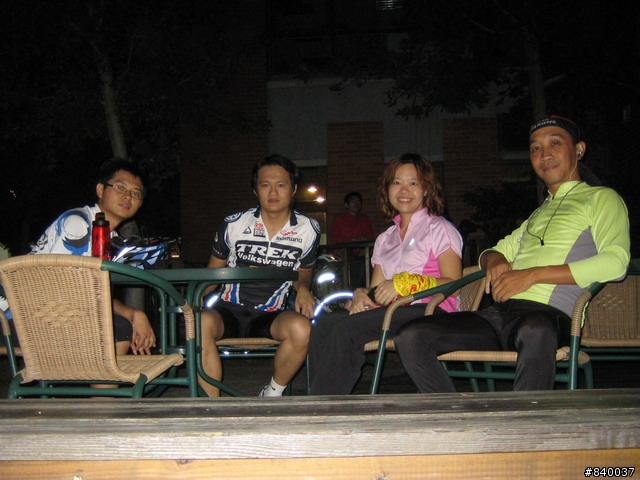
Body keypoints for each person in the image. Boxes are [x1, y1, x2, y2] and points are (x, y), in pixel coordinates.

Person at [393, 115, 631, 392]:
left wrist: (531, 275)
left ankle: (526, 415)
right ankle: (454, 411)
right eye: (536, 148)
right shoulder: (538, 215)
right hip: (500, 314)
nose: (544, 154)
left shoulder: (601, 198)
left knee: (535, 329)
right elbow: (491, 252)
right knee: (411, 335)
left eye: (555, 143)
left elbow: (616, 262)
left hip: (549, 317)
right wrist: (495, 260)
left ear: (578, 150)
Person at [308, 153, 463, 395]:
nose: (404, 190)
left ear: (426, 189)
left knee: (346, 329)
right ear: (387, 189)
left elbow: (454, 283)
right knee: (326, 322)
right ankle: (316, 397)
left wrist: (405, 284)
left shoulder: (439, 228)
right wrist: (361, 294)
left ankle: (323, 406)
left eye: (413, 183)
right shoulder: (385, 238)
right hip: (393, 311)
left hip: (431, 311)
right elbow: (377, 290)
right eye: (396, 182)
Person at [199, 154, 321, 397]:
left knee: (303, 328)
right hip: (228, 310)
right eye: (265, 185)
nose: (273, 192)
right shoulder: (233, 224)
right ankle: (212, 407)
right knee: (199, 323)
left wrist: (303, 289)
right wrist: (194, 298)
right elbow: (212, 273)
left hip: (272, 315)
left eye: (281, 185)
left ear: (293, 189)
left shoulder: (308, 228)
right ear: (255, 190)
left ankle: (272, 394)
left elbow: (304, 271)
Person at [29, 158, 156, 356]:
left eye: (135, 193)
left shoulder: (109, 238)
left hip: (50, 312)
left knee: (119, 325)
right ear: (100, 190)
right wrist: (131, 314)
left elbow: (89, 294)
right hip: (22, 316)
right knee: (119, 329)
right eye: (120, 187)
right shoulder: (78, 223)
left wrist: (134, 313)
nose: (127, 196)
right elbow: (70, 291)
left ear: (140, 204)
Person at [329, 191, 375, 288]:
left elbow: (369, 238)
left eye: (358, 201)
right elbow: (334, 239)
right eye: (353, 201)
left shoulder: (364, 219)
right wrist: (353, 240)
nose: (356, 204)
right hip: (341, 258)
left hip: (361, 258)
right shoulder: (339, 219)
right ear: (346, 205)